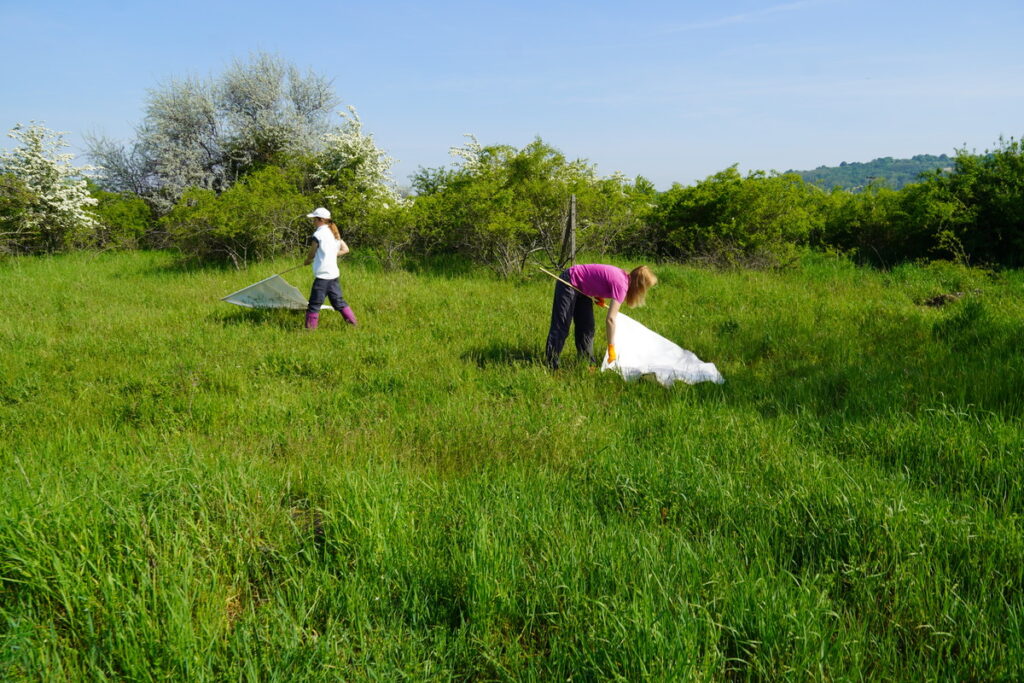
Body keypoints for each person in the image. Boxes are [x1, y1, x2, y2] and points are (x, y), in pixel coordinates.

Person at [545, 264, 657, 369]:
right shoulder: (622, 285)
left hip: (583, 288)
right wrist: (611, 348)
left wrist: (598, 294)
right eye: (645, 288)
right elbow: (611, 319)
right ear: (638, 286)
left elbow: (597, 278)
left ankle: (587, 364)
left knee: (587, 328)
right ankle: (551, 364)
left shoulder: (623, 279)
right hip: (570, 279)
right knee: (562, 324)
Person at [303, 207, 358, 329]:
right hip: (333, 275)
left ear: (321, 220)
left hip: (323, 276)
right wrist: (330, 254)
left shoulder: (318, 234)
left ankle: (309, 331)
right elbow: (345, 249)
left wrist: (308, 260)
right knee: (338, 302)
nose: (313, 222)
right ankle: (354, 324)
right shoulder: (334, 233)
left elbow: (312, 252)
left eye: (314, 219)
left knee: (314, 304)